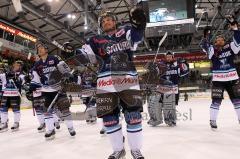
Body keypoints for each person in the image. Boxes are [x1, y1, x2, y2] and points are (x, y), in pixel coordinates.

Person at [77, 6, 146, 159]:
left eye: (109, 19)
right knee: (109, 119)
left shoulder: (125, 31)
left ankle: (136, 149)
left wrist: (139, 25)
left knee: (133, 116)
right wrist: (74, 54)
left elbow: (137, 37)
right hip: (105, 83)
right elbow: (86, 56)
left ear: (115, 22)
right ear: (101, 25)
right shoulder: (94, 40)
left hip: (127, 80)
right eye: (104, 21)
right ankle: (118, 149)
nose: (107, 22)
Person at [31, 41, 76, 139]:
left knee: (65, 109)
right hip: (46, 91)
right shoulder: (37, 65)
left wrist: (68, 75)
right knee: (47, 111)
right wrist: (33, 86)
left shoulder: (54, 58)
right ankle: (51, 129)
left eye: (42, 47)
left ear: (46, 50)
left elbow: (65, 68)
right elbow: (35, 78)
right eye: (38, 49)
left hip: (58, 88)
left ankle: (70, 127)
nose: (40, 49)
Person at [201, 20, 240, 130]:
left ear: (224, 40)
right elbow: (206, 49)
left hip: (233, 79)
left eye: (221, 39)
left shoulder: (230, 47)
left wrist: (235, 29)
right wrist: (206, 37)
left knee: (237, 101)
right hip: (218, 80)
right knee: (216, 101)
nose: (219, 41)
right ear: (215, 42)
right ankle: (213, 120)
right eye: (217, 40)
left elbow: (238, 43)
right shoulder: (213, 50)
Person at [147, 51, 189, 127]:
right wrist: (152, 68)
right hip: (162, 89)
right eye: (167, 56)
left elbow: (185, 72)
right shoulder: (160, 65)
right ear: (165, 57)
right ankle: (156, 119)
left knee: (171, 105)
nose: (169, 57)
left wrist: (184, 63)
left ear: (172, 57)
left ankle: (171, 119)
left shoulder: (177, 65)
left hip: (173, 89)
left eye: (170, 56)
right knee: (158, 104)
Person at [0, 61, 25, 132]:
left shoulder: (22, 76)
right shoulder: (5, 74)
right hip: (5, 95)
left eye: (18, 65)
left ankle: (16, 123)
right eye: (15, 65)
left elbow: (21, 82)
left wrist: (15, 78)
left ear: (20, 67)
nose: (16, 66)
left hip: (15, 95)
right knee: (3, 109)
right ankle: (4, 123)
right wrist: (7, 73)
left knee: (16, 110)